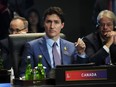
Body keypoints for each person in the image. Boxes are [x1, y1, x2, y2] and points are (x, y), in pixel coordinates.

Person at [19, 6, 88, 78]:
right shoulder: (32, 47)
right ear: (43, 24)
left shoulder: (71, 47)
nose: (52, 26)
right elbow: (24, 75)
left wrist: (81, 53)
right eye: (49, 22)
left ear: (62, 25)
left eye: (56, 22)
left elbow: (81, 73)